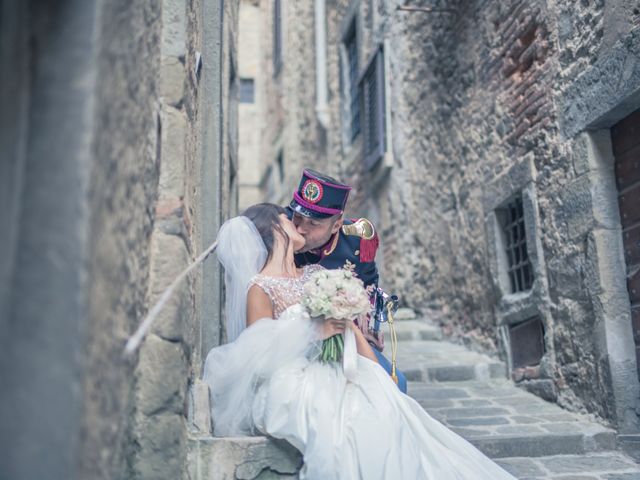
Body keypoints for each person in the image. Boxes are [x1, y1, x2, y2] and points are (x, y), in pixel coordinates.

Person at [203, 203, 516, 480]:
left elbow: (349, 328)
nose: (298, 225)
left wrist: (374, 369)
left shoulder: (313, 273)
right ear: (274, 230)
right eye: (289, 220)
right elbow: (257, 353)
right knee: (352, 425)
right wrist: (313, 333)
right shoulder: (260, 288)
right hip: (294, 380)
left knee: (392, 406)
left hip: (340, 366)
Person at [287, 168, 407, 393]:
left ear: (336, 224)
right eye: (298, 217)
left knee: (397, 384)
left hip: (348, 336)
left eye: (314, 224)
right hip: (295, 343)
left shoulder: (357, 240)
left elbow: (368, 289)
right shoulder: (282, 229)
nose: (300, 229)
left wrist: (368, 331)